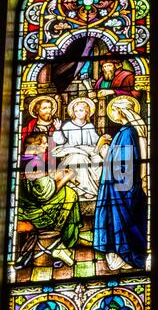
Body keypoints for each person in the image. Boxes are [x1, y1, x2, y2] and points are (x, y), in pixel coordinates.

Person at [93, 95, 147, 270]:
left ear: (121, 111)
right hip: (118, 184)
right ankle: (119, 251)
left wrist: (105, 151)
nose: (112, 114)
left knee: (122, 218)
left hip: (121, 187)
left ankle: (124, 253)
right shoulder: (126, 132)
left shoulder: (127, 133)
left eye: (114, 109)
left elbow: (124, 163)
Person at [15, 133, 82, 269]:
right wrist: (66, 177)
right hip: (36, 213)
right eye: (43, 143)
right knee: (70, 195)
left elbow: (40, 185)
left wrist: (57, 174)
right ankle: (62, 242)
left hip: (24, 207)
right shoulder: (35, 163)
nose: (46, 145)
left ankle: (58, 244)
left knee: (67, 191)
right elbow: (46, 195)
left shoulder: (22, 160)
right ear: (34, 147)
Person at [52, 98, 111, 200]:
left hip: (88, 152)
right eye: (76, 111)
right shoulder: (68, 125)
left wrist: (104, 140)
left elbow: (96, 141)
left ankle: (93, 187)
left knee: (98, 160)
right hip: (72, 154)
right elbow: (60, 141)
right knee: (80, 158)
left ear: (87, 111)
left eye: (81, 110)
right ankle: (85, 189)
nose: (78, 113)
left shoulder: (89, 126)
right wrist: (58, 129)